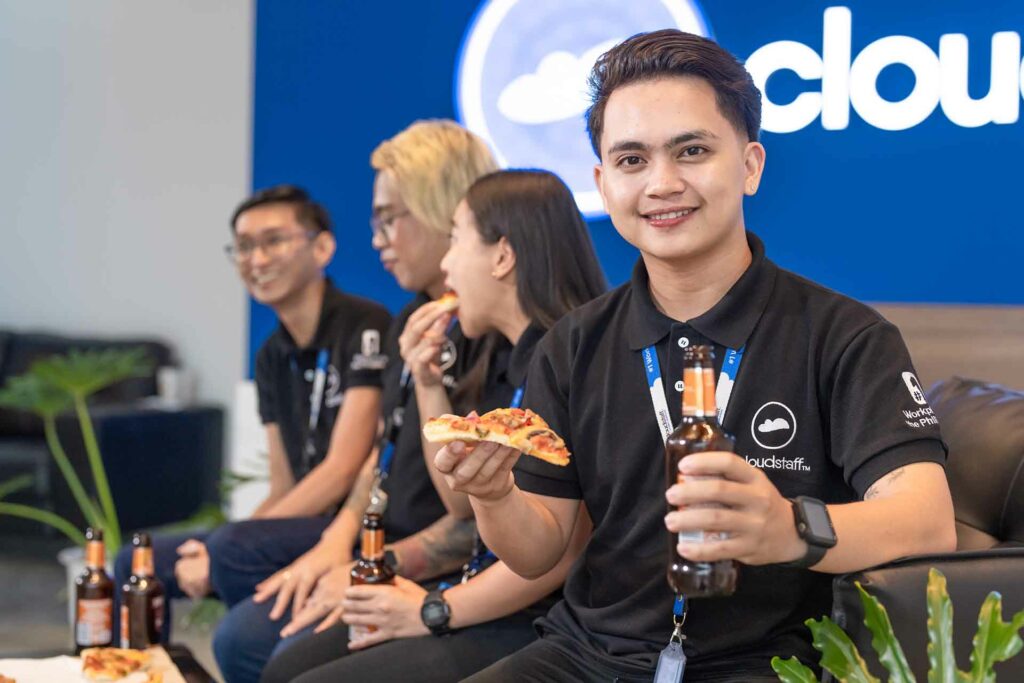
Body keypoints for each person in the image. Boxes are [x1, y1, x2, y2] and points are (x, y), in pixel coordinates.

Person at [437, 30, 957, 682]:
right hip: (586, 656)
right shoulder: (573, 344)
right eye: (631, 160)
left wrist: (789, 528)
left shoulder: (843, 335)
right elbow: (539, 548)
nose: (662, 183)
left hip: (767, 663)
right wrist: (492, 495)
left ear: (751, 165)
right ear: (603, 183)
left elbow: (927, 519)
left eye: (692, 151)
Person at [260, 169, 607, 683]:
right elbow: (460, 502)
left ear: (503, 256)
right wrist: (426, 381)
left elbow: (560, 552)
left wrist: (433, 609)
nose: (445, 265)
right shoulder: (502, 355)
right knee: (288, 664)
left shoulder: (569, 358)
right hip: (478, 584)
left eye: (456, 240)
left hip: (537, 613)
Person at [210, 120, 500, 683]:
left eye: (391, 219)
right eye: (375, 222)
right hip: (381, 535)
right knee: (236, 597)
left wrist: (372, 564)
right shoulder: (409, 319)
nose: (377, 239)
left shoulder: (488, 332)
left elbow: (473, 516)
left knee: (263, 649)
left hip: (434, 560)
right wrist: (336, 543)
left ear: (444, 211)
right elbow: (378, 454)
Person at [113, 184, 390, 641]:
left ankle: (261, 644)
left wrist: (223, 546)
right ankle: (136, 668)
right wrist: (221, 541)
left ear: (322, 248)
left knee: (231, 550)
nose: (256, 260)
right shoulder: (271, 356)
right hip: (296, 522)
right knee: (136, 561)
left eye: (273, 241)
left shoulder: (366, 326)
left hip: (354, 524)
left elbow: (342, 469)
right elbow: (283, 484)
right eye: (243, 247)